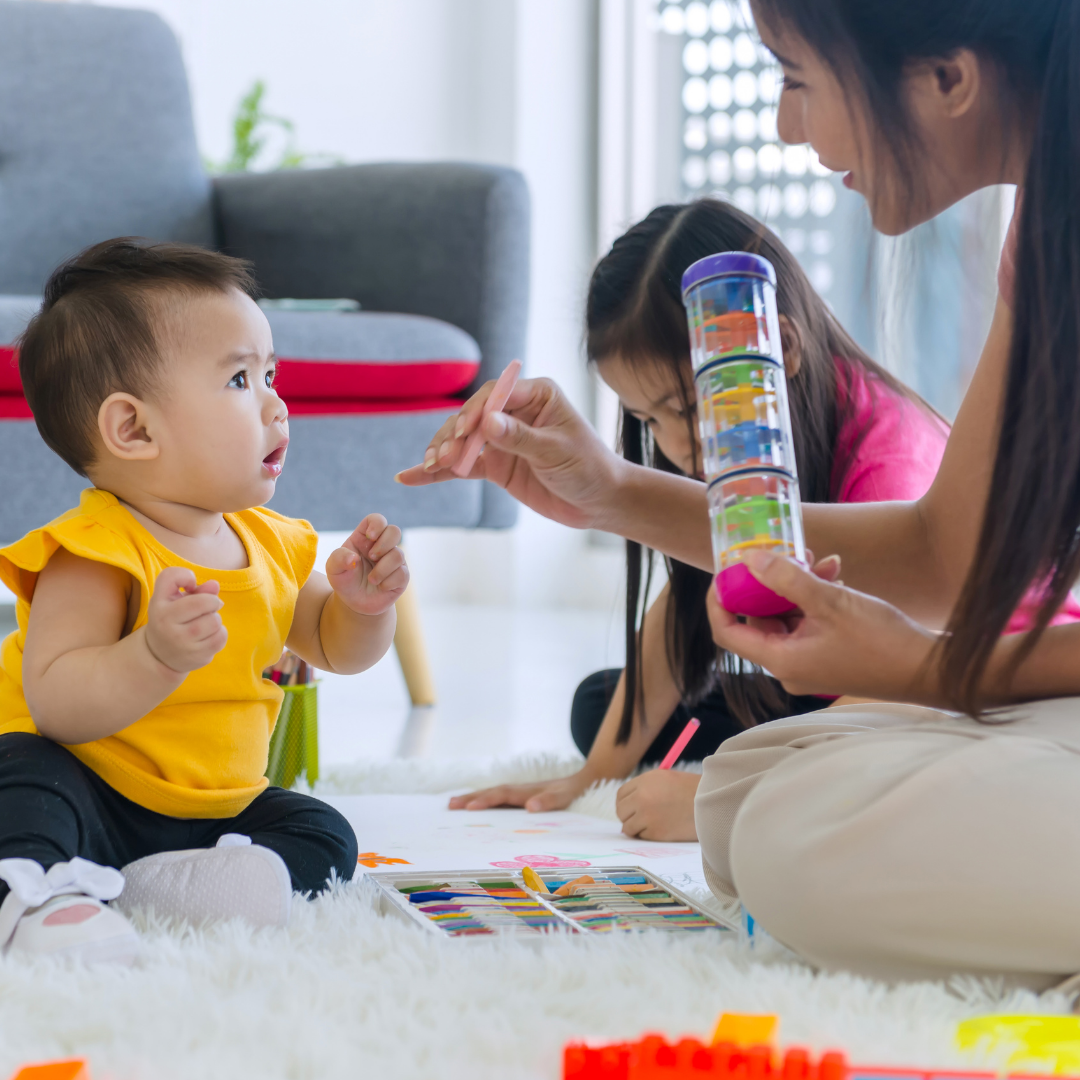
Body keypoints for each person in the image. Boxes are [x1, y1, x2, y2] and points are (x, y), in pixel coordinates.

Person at [398, 0, 1080, 986]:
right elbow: (949, 553)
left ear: (948, 79)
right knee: (753, 787)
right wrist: (610, 493)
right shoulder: (1047, 229)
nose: (783, 126)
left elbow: (941, 593)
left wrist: (926, 672)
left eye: (798, 77)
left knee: (793, 841)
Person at [448, 199, 968, 841]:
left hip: (949, 695)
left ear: (784, 348)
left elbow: (905, 683)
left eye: (684, 409)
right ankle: (785, 756)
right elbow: (692, 595)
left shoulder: (889, 458)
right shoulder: (743, 436)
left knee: (883, 754)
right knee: (601, 706)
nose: (674, 446)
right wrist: (593, 776)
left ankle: (789, 767)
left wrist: (722, 798)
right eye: (649, 420)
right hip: (839, 682)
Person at [0, 239, 408, 964]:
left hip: (214, 806)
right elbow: (56, 701)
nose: (278, 404)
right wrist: (152, 654)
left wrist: (364, 609)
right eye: (240, 380)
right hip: (92, 793)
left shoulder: (271, 541)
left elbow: (333, 647)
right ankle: (42, 899)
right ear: (134, 429)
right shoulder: (95, 550)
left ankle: (180, 888)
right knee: (27, 779)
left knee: (325, 833)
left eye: (271, 374)